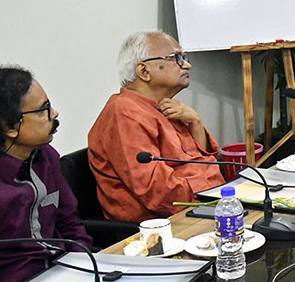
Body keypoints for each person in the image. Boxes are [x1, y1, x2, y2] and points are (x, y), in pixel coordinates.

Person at [0, 66, 92, 282]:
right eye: (43, 110)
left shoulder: (44, 155)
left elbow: (71, 225)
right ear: (9, 127)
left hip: (65, 277)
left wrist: (84, 271)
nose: (54, 113)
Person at [88, 32, 223, 223]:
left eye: (184, 58)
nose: (187, 65)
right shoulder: (125, 113)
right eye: (176, 58)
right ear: (144, 71)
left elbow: (204, 160)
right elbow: (159, 192)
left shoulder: (165, 106)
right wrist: (215, 195)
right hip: (166, 224)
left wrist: (195, 121)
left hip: (203, 205)